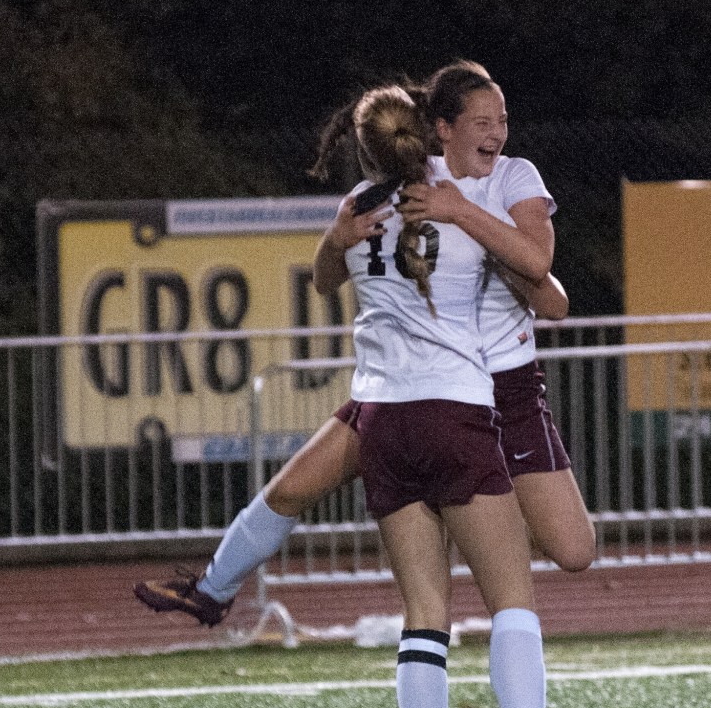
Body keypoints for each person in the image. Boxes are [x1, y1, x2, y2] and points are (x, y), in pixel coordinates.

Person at [135, 60, 593, 629]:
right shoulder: (398, 186)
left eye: (503, 119)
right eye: (483, 121)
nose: (498, 132)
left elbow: (547, 286)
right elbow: (329, 276)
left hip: (503, 384)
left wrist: (463, 215)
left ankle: (482, 513)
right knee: (292, 488)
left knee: (574, 550)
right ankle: (211, 588)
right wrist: (335, 240)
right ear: (442, 128)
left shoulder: (513, 178)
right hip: (411, 387)